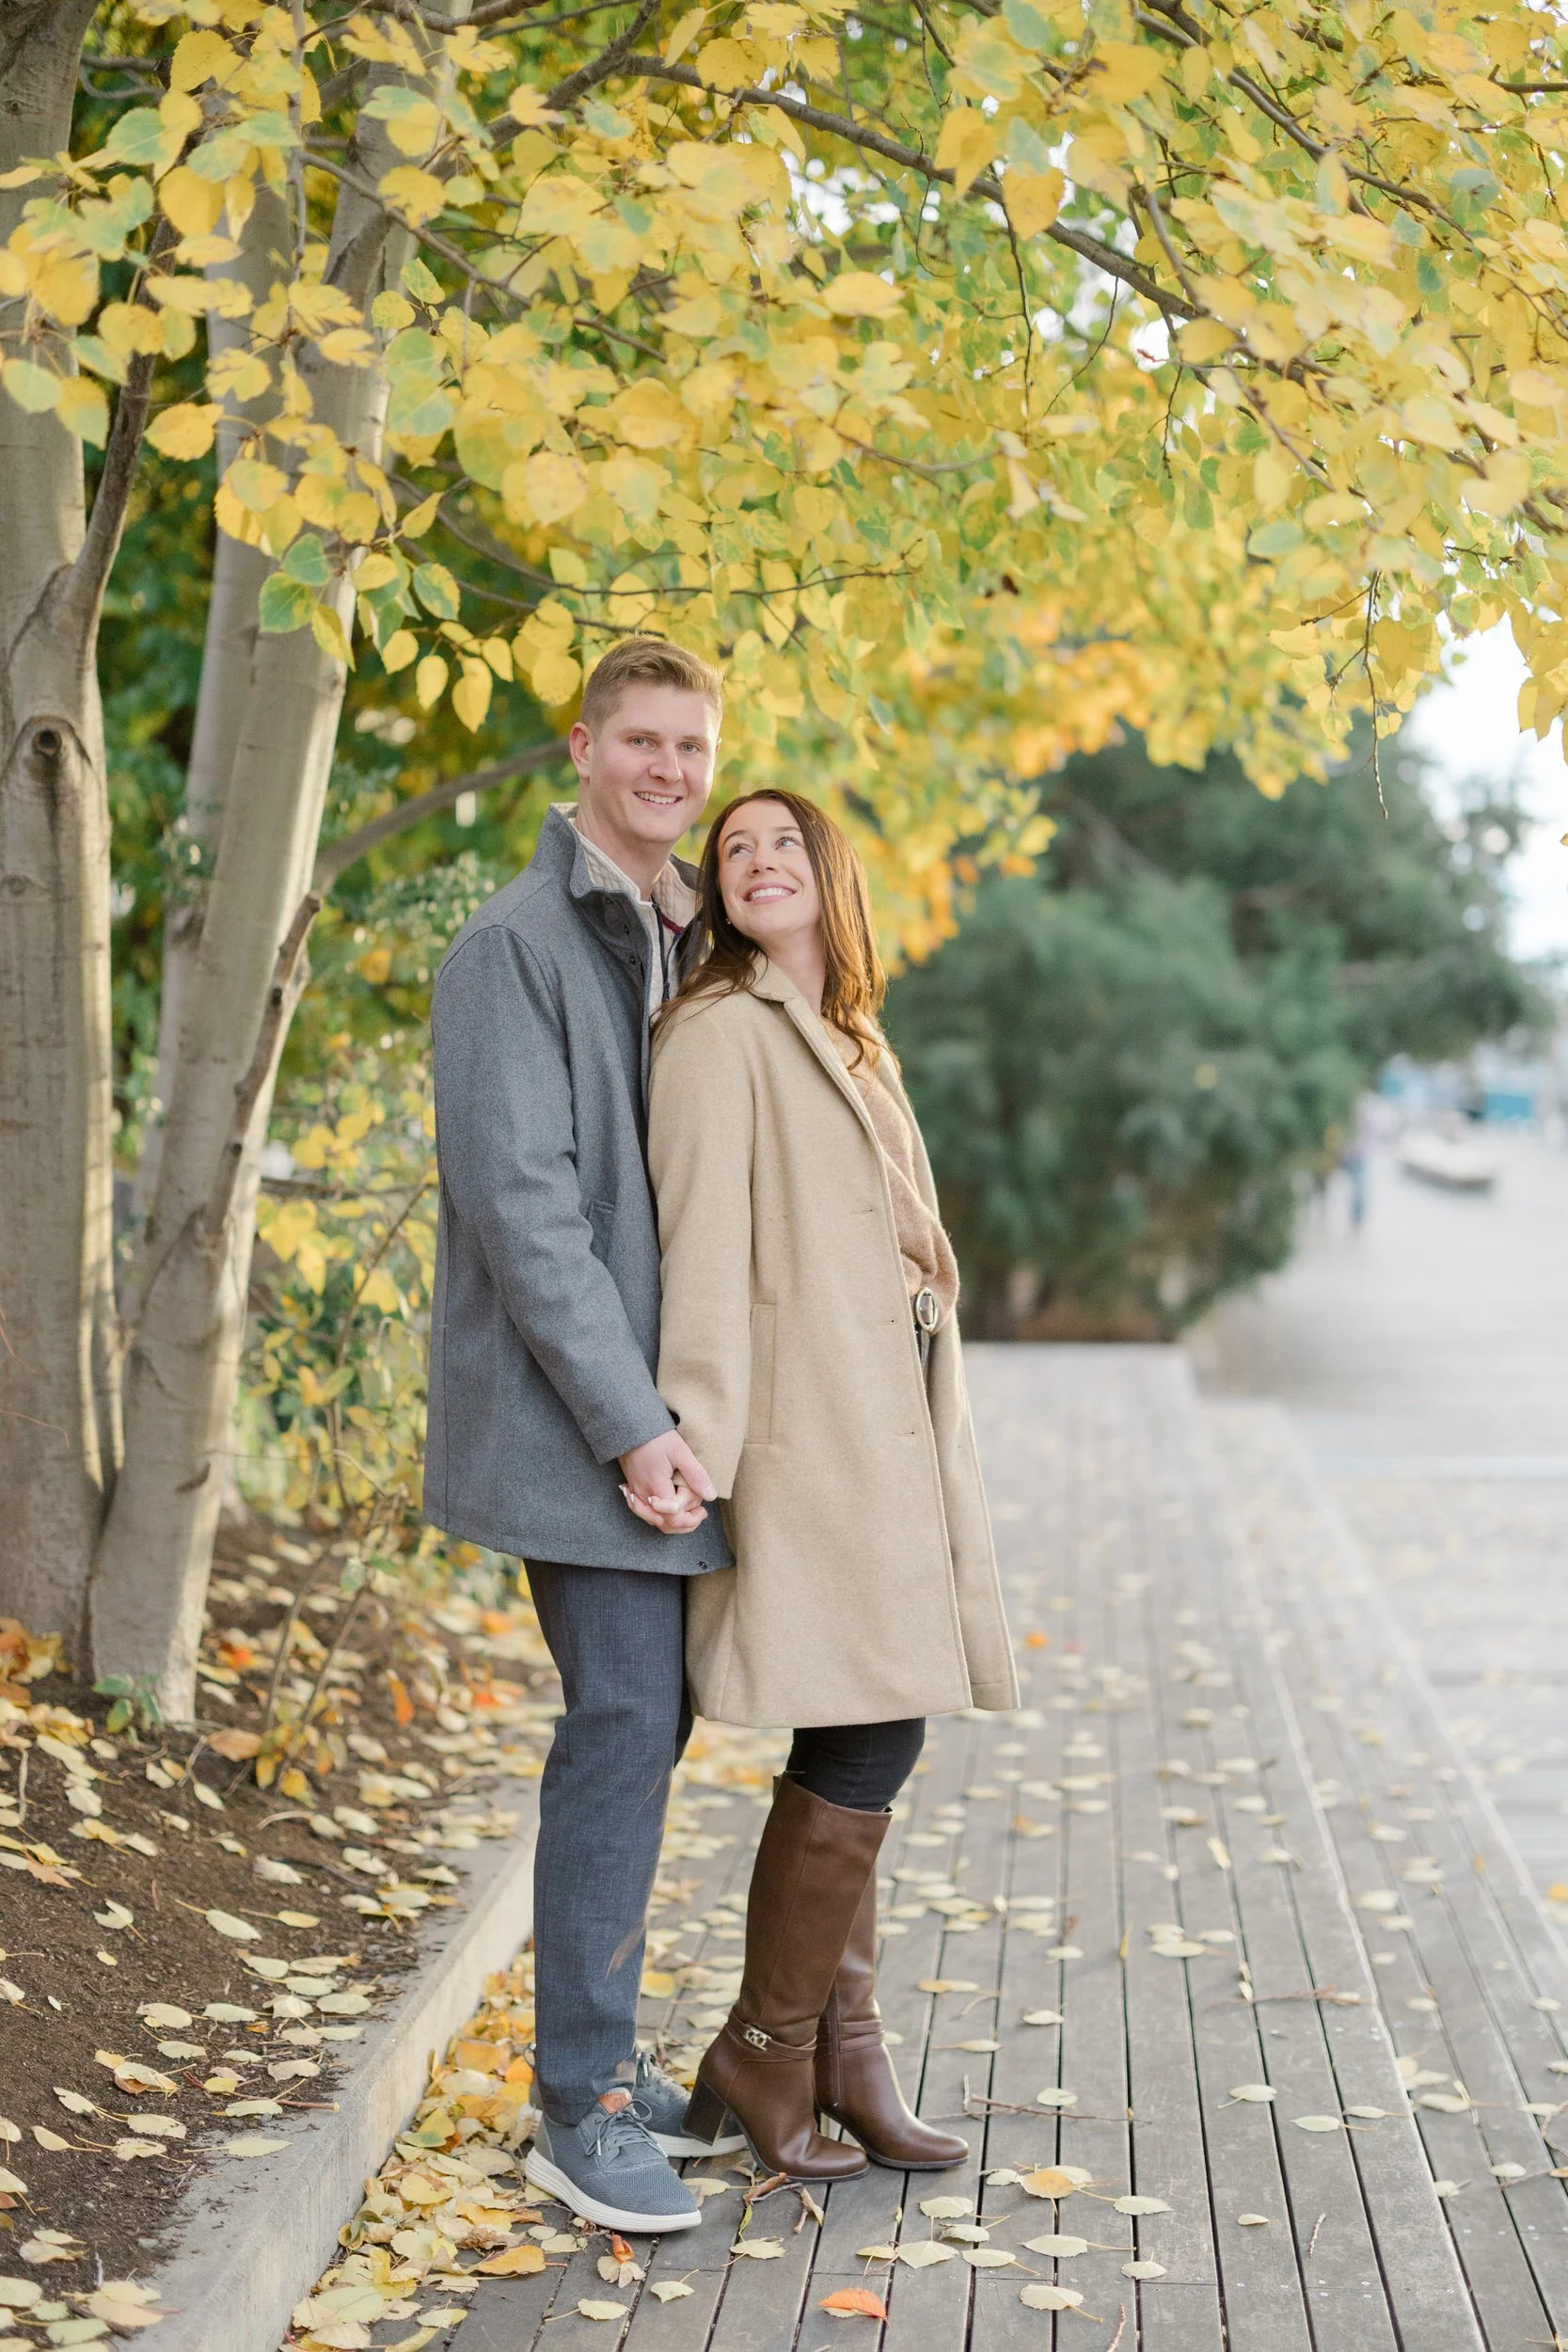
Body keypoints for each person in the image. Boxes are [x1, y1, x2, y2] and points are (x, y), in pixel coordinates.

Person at [634, 789, 1018, 2181]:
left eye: (784, 843)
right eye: (733, 850)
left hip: (890, 1426)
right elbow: (703, 1259)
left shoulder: (851, 1036)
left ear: (829, 874)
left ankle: (838, 2056)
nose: (756, 861)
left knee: (865, 1728)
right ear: (719, 896)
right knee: (869, 1737)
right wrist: (700, 1440)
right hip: (803, 1437)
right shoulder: (714, 1036)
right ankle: (765, 2045)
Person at [424, 637, 746, 2237]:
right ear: (580, 751)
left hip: (683, 1407)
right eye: (641, 741)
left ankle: (610, 2068)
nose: (669, 771)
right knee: (621, 1717)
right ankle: (580, 2106)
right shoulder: (514, 948)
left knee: (650, 1721)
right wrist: (631, 1427)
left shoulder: (697, 935)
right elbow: (523, 1211)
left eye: (691, 746)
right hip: (585, 1420)